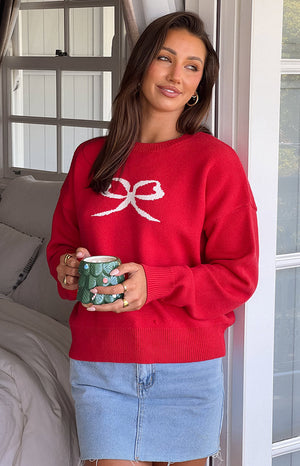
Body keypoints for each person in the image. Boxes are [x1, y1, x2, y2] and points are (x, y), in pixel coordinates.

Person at [47, 11, 259, 466]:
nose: (176, 76)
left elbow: (238, 277)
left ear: (201, 82)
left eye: (191, 65)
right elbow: (62, 249)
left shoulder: (215, 163)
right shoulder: (89, 158)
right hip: (103, 366)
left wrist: (156, 283)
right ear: (142, 64)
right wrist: (66, 267)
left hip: (187, 372)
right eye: (165, 58)